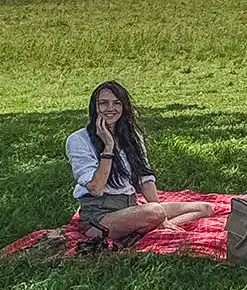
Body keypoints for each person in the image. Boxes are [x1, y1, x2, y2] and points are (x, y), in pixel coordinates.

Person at [66, 81, 211, 241]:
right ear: (94, 107)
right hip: (99, 216)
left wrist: (160, 213)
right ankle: (150, 228)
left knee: (204, 208)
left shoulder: (132, 136)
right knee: (154, 212)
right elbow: (95, 188)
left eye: (116, 103)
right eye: (103, 103)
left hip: (132, 208)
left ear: (124, 107)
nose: (110, 109)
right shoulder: (78, 140)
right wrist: (108, 147)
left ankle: (156, 229)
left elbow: (144, 179)